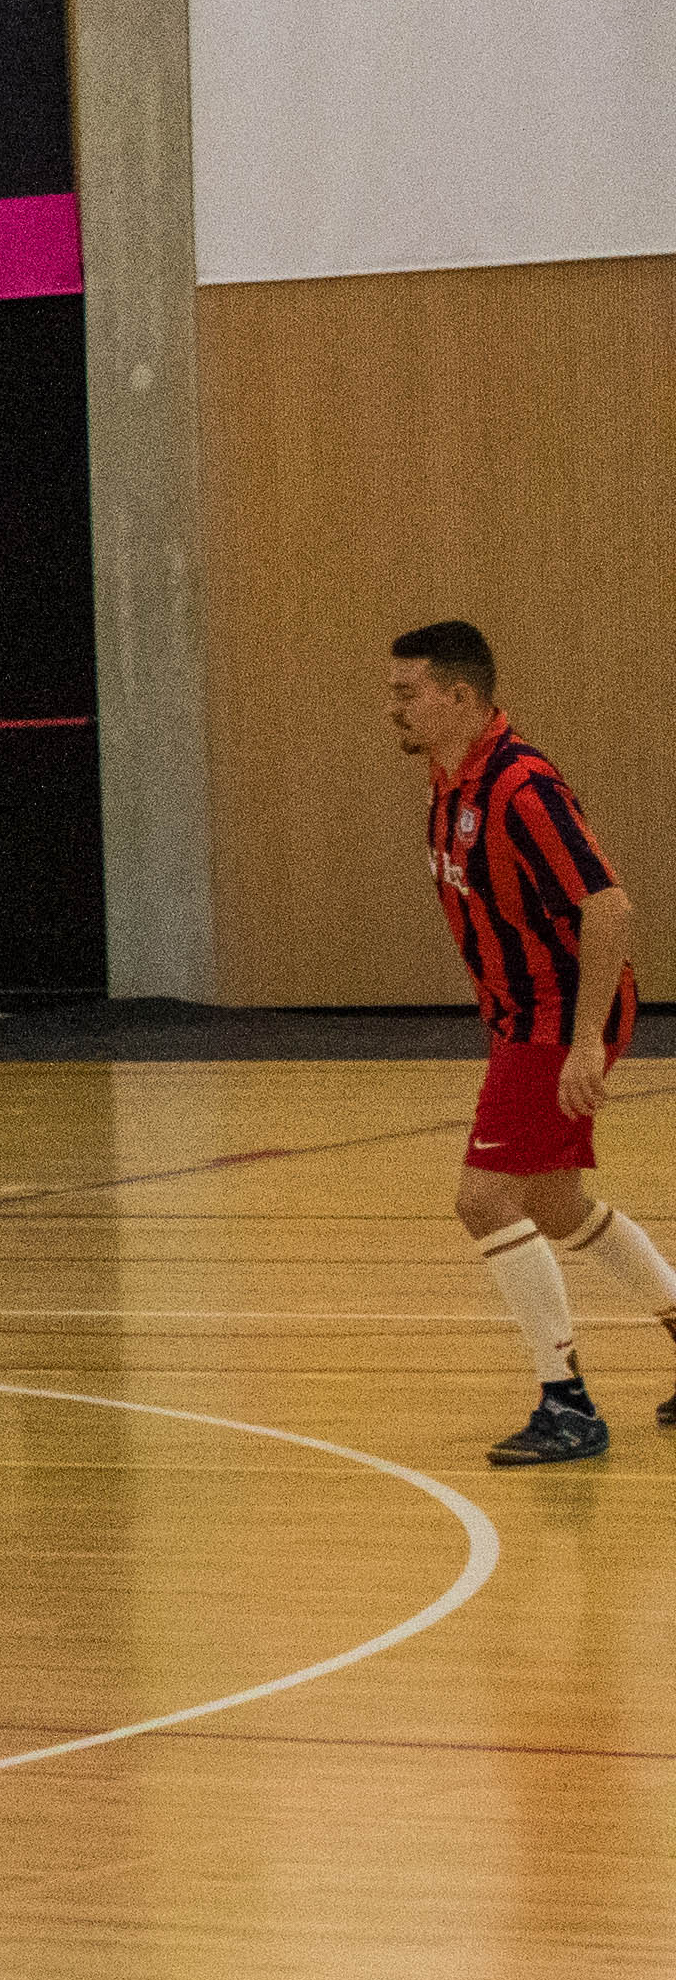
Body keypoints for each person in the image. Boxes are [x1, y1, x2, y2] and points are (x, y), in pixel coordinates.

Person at [387, 620, 676, 1465]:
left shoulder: (521, 786)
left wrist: (584, 1042)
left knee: (483, 1201)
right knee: (552, 1202)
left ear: (460, 697)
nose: (394, 706)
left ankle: (567, 1404)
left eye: (408, 692)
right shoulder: (451, 777)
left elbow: (609, 908)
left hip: (555, 1014)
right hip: (523, 1014)